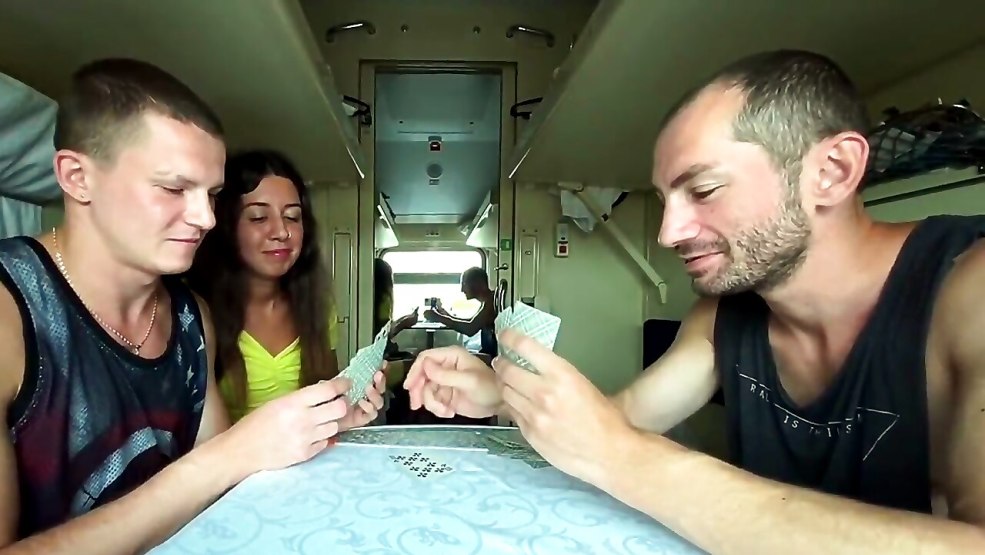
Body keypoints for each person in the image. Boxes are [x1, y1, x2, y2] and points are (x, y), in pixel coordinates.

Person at [403, 49, 985, 553]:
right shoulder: (723, 316)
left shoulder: (968, 290)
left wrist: (630, 459)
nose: (668, 232)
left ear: (832, 171)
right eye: (665, 199)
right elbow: (618, 422)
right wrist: (501, 392)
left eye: (703, 190)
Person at [0, 58, 381, 553]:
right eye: (175, 189)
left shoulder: (189, 317)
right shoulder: (11, 311)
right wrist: (231, 454)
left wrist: (312, 426)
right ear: (77, 177)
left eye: (213, 195)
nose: (204, 218)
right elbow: (218, 464)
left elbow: (219, 497)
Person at [184, 149, 385, 423]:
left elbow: (326, 405)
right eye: (258, 217)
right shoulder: (192, 311)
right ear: (225, 226)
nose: (281, 232)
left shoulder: (318, 306)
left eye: (292, 217)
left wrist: (347, 411)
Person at [423, 266, 497, 357]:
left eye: (464, 284)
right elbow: (471, 321)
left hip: (492, 357)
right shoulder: (487, 301)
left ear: (478, 283)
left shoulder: (490, 302)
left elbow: (470, 329)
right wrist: (447, 315)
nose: (462, 290)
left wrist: (439, 318)